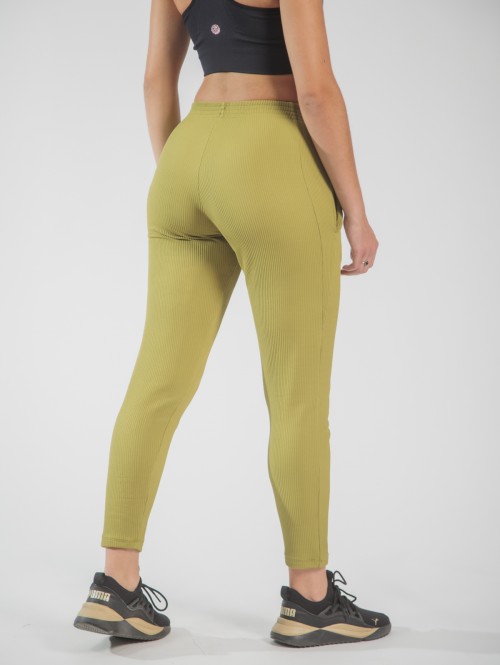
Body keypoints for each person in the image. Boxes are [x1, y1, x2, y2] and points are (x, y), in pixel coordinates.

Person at [73, 0, 390, 648]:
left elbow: (155, 81)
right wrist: (356, 212)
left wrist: (189, 176)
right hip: (269, 152)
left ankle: (115, 583)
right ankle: (310, 598)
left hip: (186, 159)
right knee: (297, 396)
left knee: (156, 383)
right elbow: (316, 92)